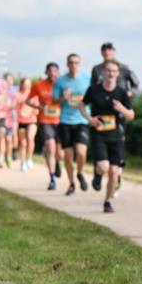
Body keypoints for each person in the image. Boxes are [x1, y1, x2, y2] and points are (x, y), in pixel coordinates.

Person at [80, 59, 135, 213]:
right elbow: (81, 105)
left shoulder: (121, 92)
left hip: (115, 135)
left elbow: (131, 115)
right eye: (108, 70)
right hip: (98, 134)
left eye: (114, 71)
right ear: (103, 72)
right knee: (104, 166)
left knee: (114, 171)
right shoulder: (94, 90)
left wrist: (122, 109)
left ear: (118, 74)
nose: (111, 74)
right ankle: (98, 174)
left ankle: (108, 201)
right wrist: (89, 119)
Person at [90, 42, 139, 192]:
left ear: (114, 52)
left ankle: (117, 168)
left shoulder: (124, 68)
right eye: (104, 51)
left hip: (119, 108)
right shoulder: (96, 69)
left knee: (119, 138)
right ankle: (98, 169)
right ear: (101, 53)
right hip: (101, 109)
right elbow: (92, 88)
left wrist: (130, 94)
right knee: (99, 139)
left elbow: (136, 84)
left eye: (109, 51)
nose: (107, 53)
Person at [53, 53, 91, 195]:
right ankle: (71, 184)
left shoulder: (87, 79)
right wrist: (63, 97)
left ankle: (80, 173)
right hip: (65, 121)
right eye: (71, 62)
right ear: (67, 64)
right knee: (68, 156)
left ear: (79, 64)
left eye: (76, 62)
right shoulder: (60, 81)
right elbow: (54, 100)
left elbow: (94, 95)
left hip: (82, 120)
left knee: (81, 153)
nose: (74, 65)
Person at [29, 63, 64, 190]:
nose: (52, 73)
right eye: (50, 71)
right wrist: (38, 107)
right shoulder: (39, 85)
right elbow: (28, 100)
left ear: (58, 72)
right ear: (46, 72)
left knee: (60, 154)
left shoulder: (63, 85)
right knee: (50, 147)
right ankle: (52, 178)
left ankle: (57, 162)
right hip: (45, 120)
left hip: (61, 121)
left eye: (55, 71)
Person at [16, 77, 38, 172]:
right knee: (23, 143)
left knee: (30, 138)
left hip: (32, 120)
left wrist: (34, 111)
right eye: (25, 84)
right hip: (21, 121)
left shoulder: (34, 95)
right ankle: (22, 163)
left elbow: (37, 108)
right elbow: (14, 107)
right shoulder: (18, 95)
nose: (27, 85)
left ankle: (29, 158)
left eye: (28, 84)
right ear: (22, 84)